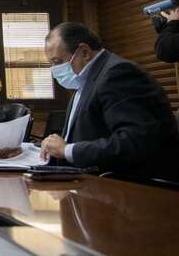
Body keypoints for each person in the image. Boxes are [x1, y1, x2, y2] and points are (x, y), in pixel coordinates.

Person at [41, 22, 179, 181]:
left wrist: (67, 150)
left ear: (84, 52)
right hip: (91, 184)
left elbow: (135, 141)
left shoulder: (117, 74)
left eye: (57, 62)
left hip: (133, 188)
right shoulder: (85, 82)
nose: (54, 70)